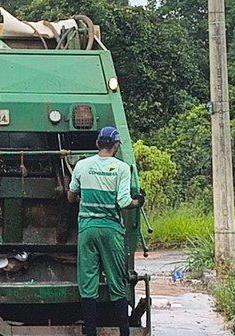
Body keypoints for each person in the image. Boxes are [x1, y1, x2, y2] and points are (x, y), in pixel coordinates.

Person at [67, 126, 145, 336]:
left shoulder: (82, 166)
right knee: (117, 281)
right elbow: (123, 201)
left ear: (97, 144)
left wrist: (79, 198)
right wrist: (138, 202)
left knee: (88, 282)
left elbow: (71, 195)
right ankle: (124, 332)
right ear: (116, 145)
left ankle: (90, 332)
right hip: (111, 231)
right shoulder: (121, 168)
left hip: (88, 230)